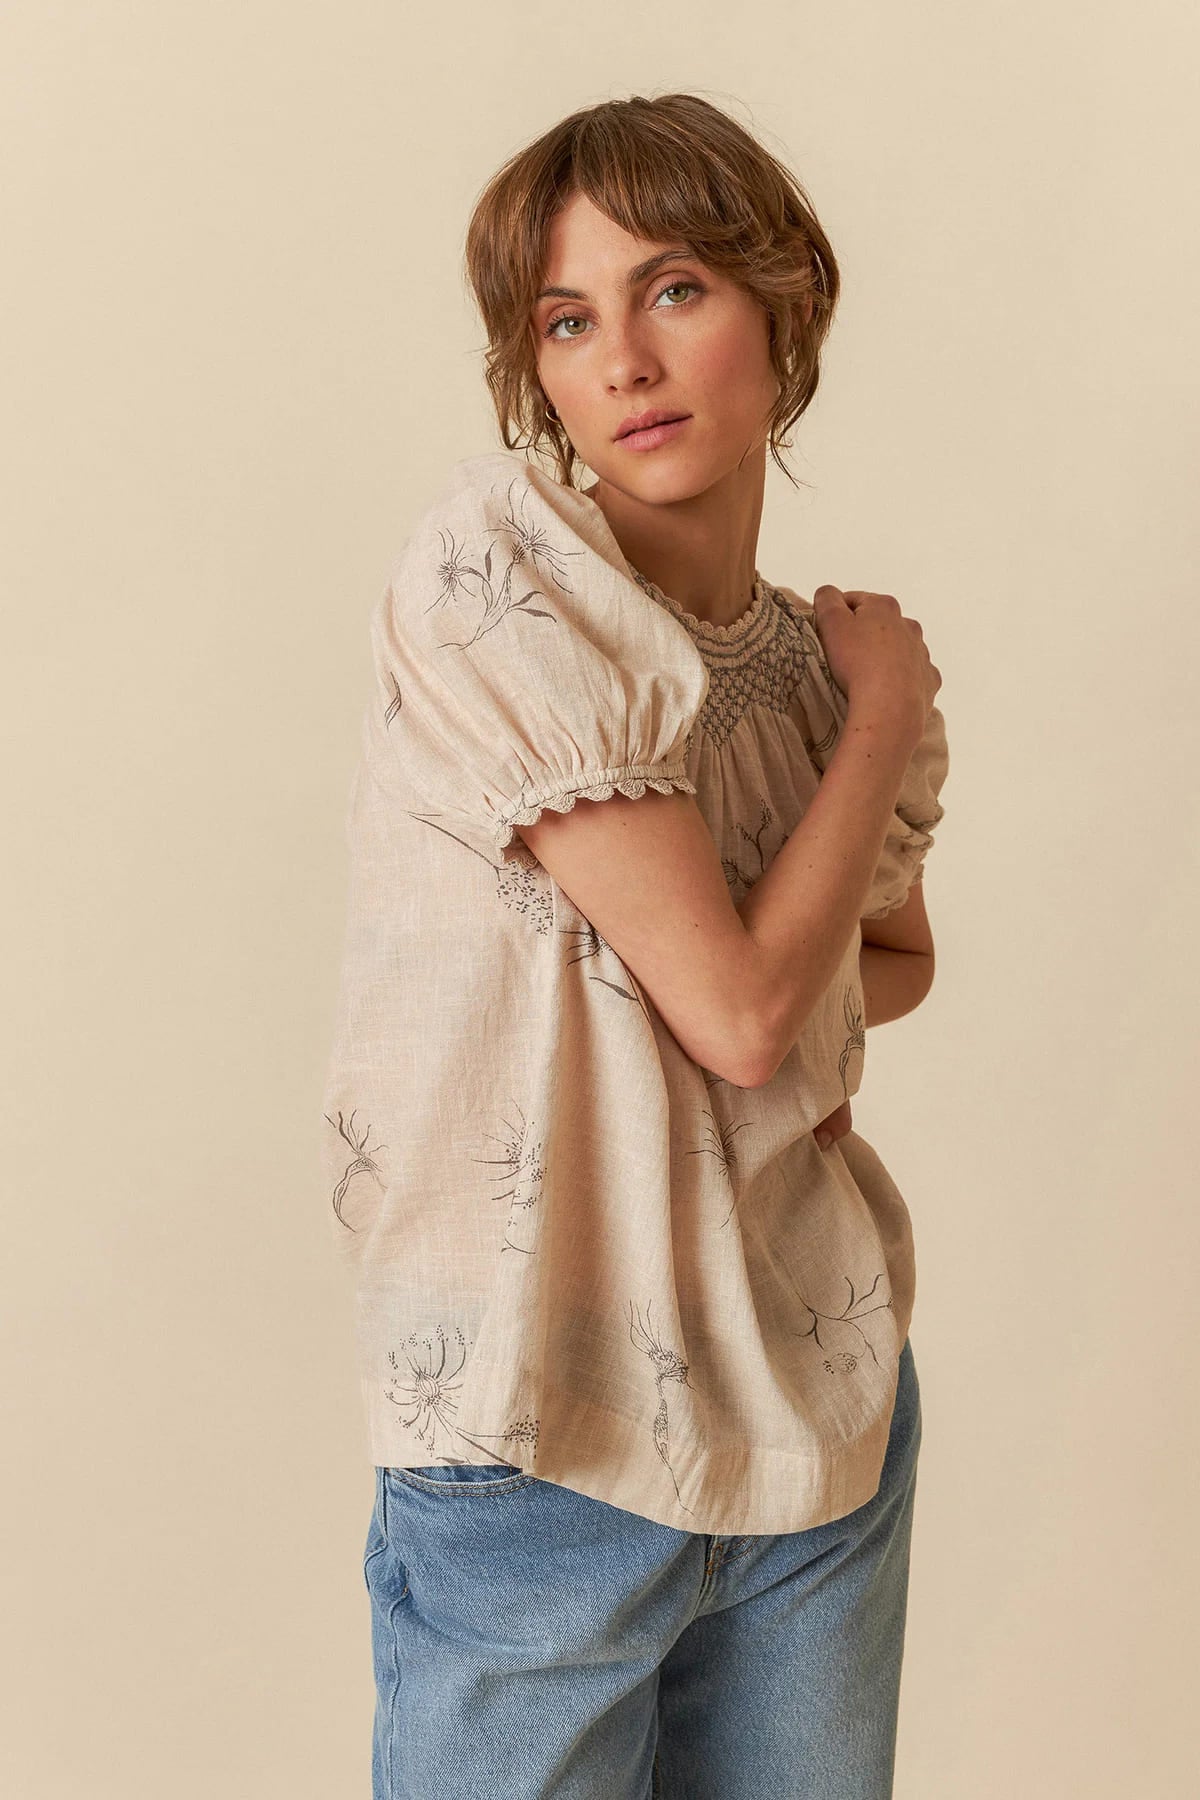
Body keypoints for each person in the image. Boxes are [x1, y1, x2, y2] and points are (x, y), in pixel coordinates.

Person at [323, 91, 948, 1799]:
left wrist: (850, 732)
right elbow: (750, 1013)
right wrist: (882, 723)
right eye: (567, 319)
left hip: (816, 1406)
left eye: (674, 289)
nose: (625, 361)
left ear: (785, 299)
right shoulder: (496, 580)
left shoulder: (810, 676)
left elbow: (892, 963)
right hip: (542, 1423)